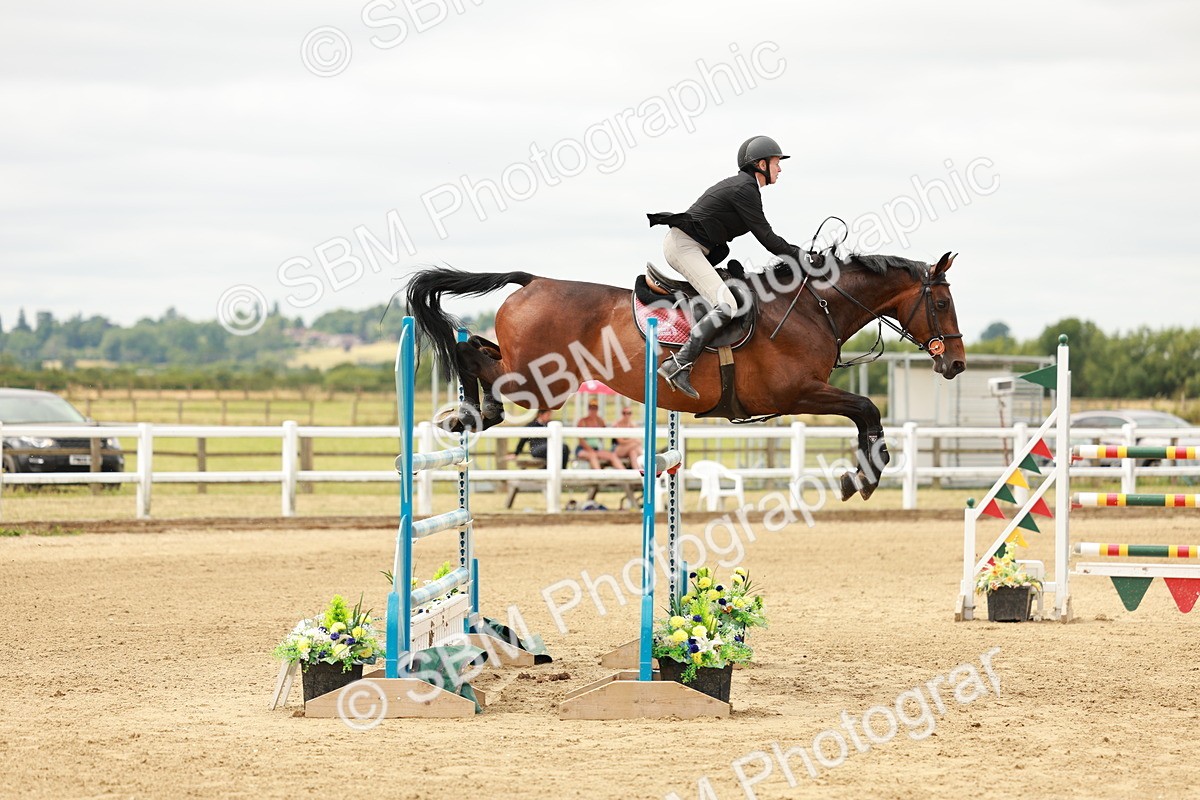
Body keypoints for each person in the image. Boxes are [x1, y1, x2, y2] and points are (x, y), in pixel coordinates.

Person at [647, 135, 803, 399]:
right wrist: (799, 255)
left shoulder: (746, 187)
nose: (780, 169)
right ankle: (679, 364)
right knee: (727, 305)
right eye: (777, 162)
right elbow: (767, 237)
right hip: (685, 247)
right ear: (761, 164)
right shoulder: (746, 189)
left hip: (694, 247)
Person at [575, 399, 626, 470]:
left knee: (612, 455)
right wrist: (590, 450)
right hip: (583, 449)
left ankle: (625, 474)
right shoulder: (583, 421)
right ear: (588, 409)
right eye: (591, 408)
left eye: (595, 408)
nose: (593, 411)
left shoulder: (600, 421)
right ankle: (599, 476)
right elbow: (581, 440)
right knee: (592, 456)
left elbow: (604, 433)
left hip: (595, 449)